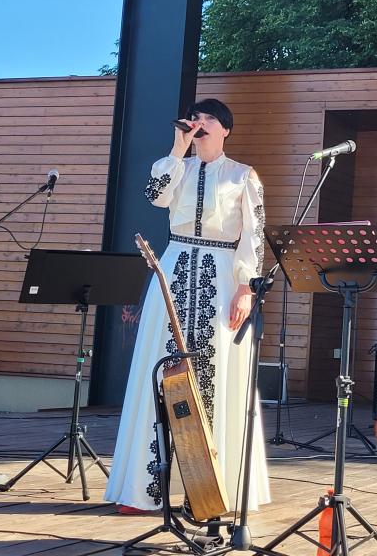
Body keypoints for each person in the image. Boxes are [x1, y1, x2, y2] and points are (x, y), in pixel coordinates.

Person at [104, 98, 270, 514]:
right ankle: (144, 489)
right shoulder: (177, 167)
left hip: (222, 275)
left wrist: (246, 287)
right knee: (161, 371)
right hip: (174, 269)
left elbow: (254, 236)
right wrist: (177, 150)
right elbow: (154, 196)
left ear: (225, 129)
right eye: (195, 118)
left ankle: (212, 492)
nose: (200, 124)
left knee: (216, 376)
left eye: (210, 119)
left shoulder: (243, 175)